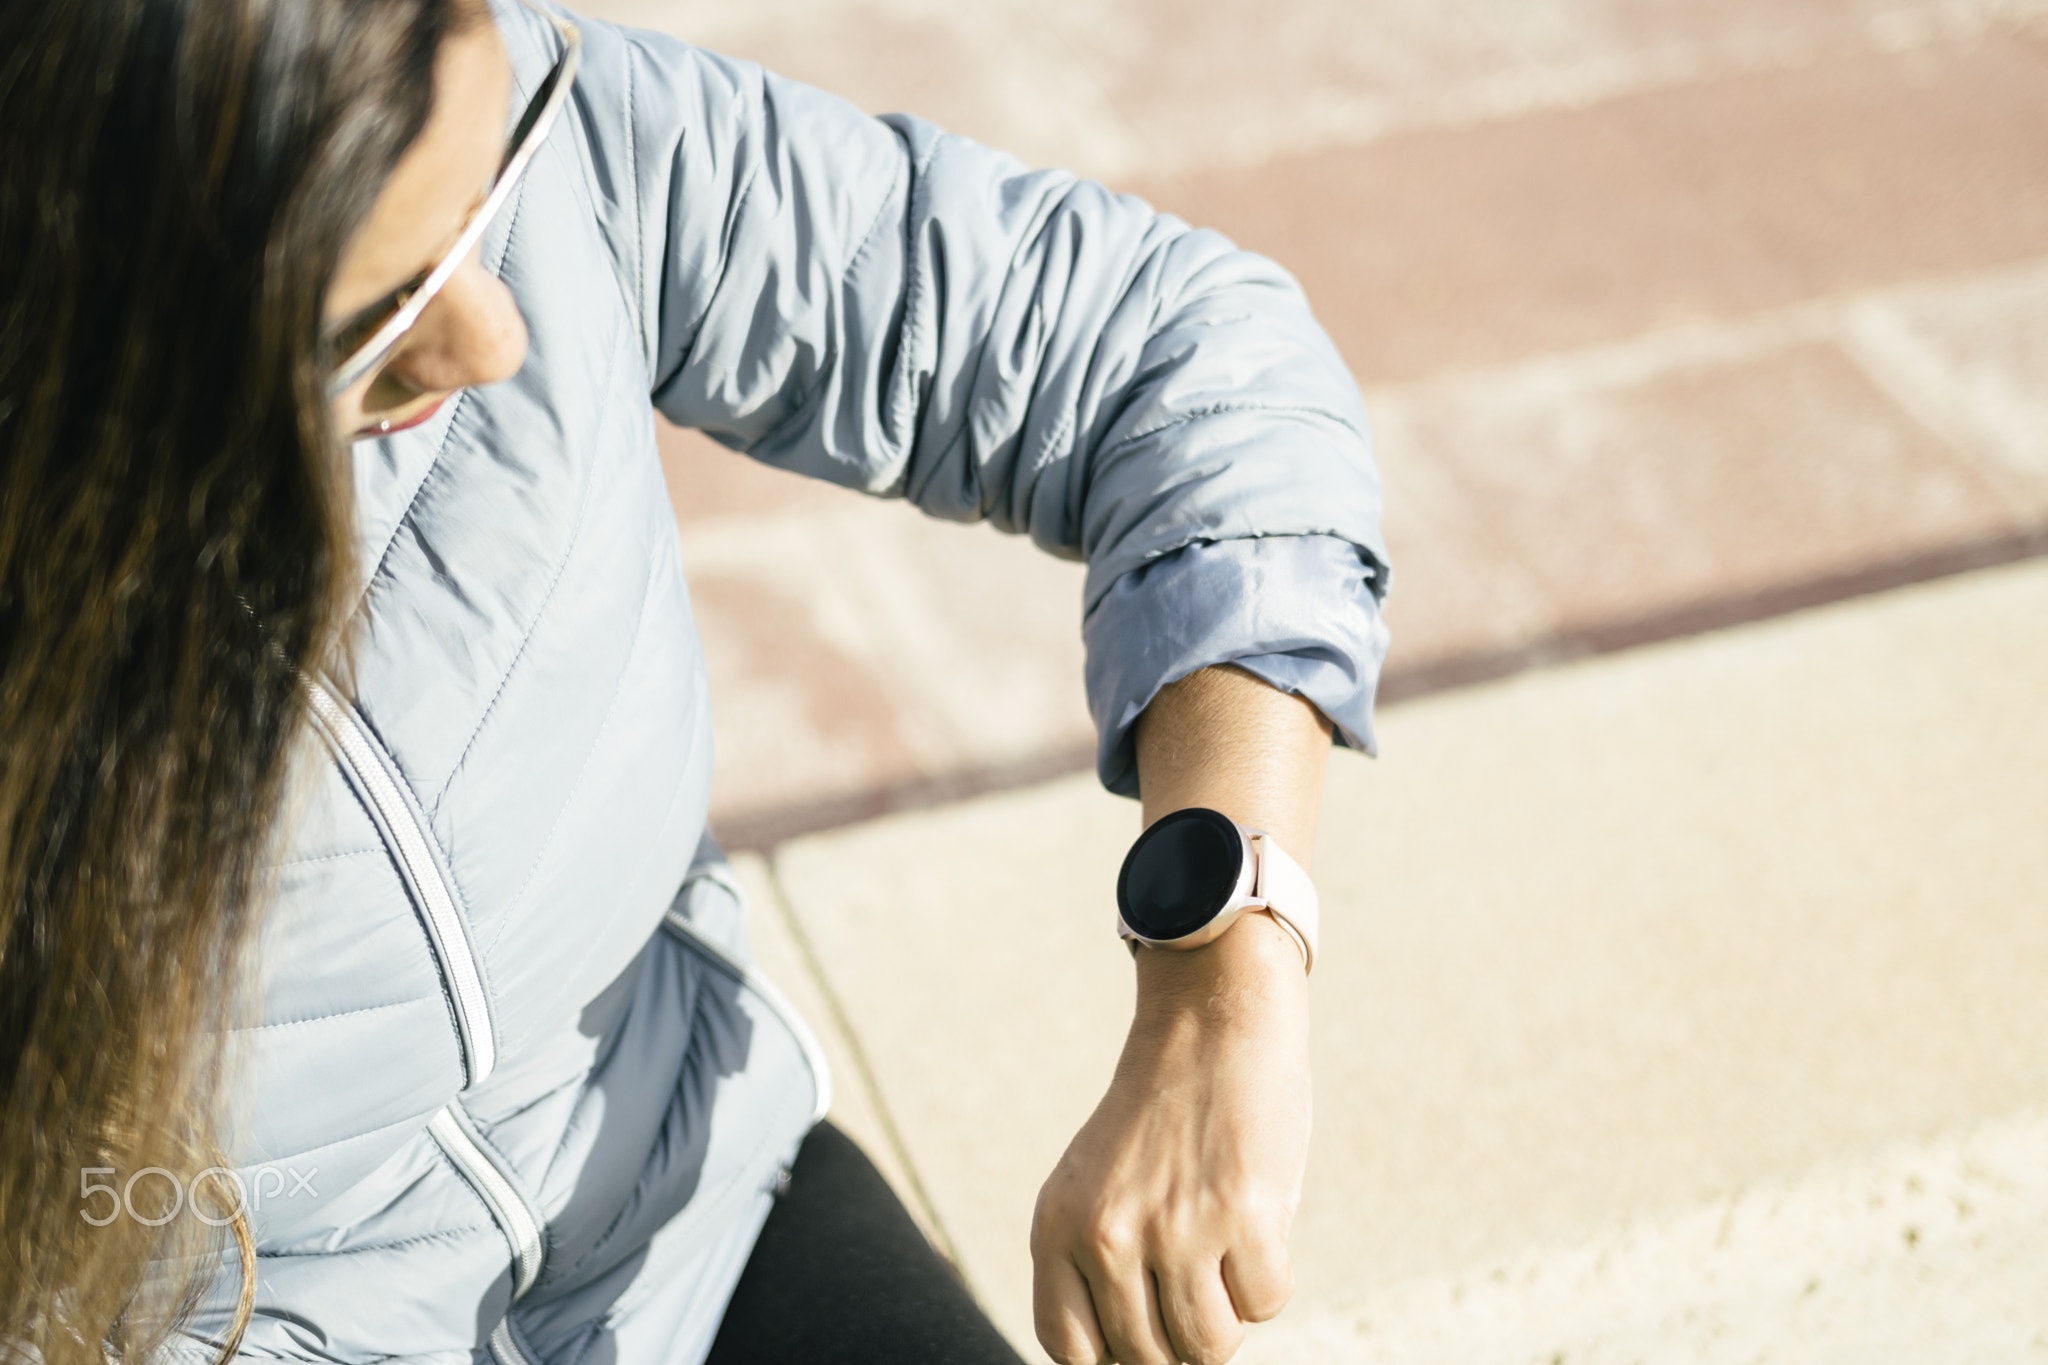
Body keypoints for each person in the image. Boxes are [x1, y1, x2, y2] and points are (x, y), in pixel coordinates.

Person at [0, 0, 1389, 1361]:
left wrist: (1226, 972)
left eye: (483, 198)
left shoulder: (524, 113)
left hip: (696, 1204)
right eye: (382, 309)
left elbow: (1175, 355)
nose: (491, 337)